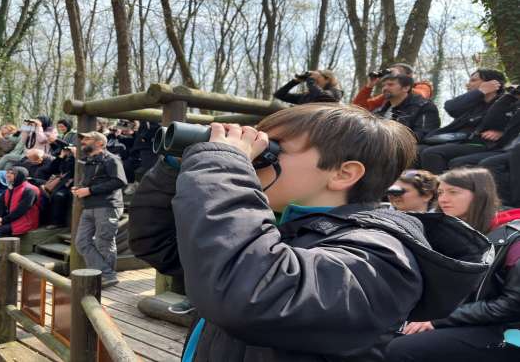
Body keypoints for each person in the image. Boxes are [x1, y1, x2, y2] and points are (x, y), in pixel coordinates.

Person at [129, 103, 491, 361]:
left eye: (272, 149)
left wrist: (223, 166)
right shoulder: (285, 231)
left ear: (343, 173)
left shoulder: (380, 254)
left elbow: (252, 297)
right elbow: (157, 242)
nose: (252, 156)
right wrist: (180, 168)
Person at [386, 173, 518, 361]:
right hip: (462, 317)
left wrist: (437, 320)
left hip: (502, 329)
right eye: (440, 192)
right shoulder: (449, 233)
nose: (444, 199)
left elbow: (511, 305)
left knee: (399, 349)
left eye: (453, 192)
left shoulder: (512, 237)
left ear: (480, 195)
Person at [420, 69, 507, 174]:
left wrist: (502, 132)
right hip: (461, 141)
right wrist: (479, 92)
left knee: (431, 153)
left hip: (483, 144)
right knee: (416, 150)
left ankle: (439, 188)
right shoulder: (474, 102)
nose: (468, 84)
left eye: (473, 80)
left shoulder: (506, 102)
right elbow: (450, 107)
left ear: (492, 84)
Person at [73, 131, 127, 288]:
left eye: (88, 139)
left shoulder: (112, 159)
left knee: (104, 242)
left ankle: (106, 277)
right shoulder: (89, 161)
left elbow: (119, 181)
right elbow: (93, 184)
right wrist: (80, 189)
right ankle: (105, 274)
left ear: (100, 143)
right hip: (89, 206)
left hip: (108, 205)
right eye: (83, 139)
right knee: (82, 242)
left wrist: (89, 191)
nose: (83, 141)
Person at [373, 74, 440, 142]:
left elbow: (423, 136)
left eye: (390, 84)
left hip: (406, 150)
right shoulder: (380, 110)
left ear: (406, 88)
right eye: (383, 85)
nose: (385, 88)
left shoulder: (424, 107)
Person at [436, 167, 499, 234]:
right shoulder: (432, 229)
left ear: (479, 194)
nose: (442, 199)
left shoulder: (506, 233)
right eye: (440, 193)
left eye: (453, 192)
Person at [353, 63, 433, 111]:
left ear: (409, 76)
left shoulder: (422, 86)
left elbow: (419, 96)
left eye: (397, 73)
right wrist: (369, 86)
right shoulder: (389, 95)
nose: (392, 76)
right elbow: (359, 106)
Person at [43, 145, 76, 229]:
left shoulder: (76, 159)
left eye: (69, 150)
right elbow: (51, 169)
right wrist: (61, 157)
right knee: (46, 194)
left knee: (59, 196)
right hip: (62, 183)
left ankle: (57, 222)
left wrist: (75, 156)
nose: (68, 151)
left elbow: (73, 170)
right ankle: (47, 220)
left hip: (73, 184)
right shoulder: (65, 158)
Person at [273, 69, 343, 104]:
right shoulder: (308, 97)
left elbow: (322, 96)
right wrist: (295, 82)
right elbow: (279, 95)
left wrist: (311, 80)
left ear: (327, 79)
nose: (316, 82)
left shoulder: (336, 94)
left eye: (318, 79)